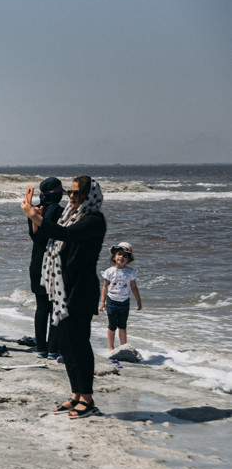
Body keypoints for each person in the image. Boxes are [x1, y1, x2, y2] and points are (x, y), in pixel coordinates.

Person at [21, 176, 106, 419]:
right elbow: (43, 238)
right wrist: (32, 217)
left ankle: (88, 399)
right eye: (71, 192)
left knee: (79, 344)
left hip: (81, 290)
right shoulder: (70, 215)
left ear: (90, 196)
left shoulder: (93, 220)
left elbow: (63, 235)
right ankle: (76, 394)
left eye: (78, 193)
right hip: (63, 288)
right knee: (66, 345)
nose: (72, 196)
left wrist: (33, 214)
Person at [28, 177, 65, 359]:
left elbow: (37, 238)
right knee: (56, 308)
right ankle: (54, 349)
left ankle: (41, 348)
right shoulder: (61, 212)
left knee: (41, 307)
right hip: (54, 263)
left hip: (36, 263)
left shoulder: (33, 211)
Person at [100, 242, 142, 351]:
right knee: (112, 326)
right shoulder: (109, 272)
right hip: (112, 301)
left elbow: (133, 287)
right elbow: (105, 287)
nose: (121, 257)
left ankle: (124, 347)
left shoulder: (130, 272)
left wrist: (138, 301)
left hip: (124, 302)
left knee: (122, 326)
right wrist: (102, 302)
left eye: (125, 255)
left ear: (129, 259)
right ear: (114, 257)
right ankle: (111, 347)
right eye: (119, 254)